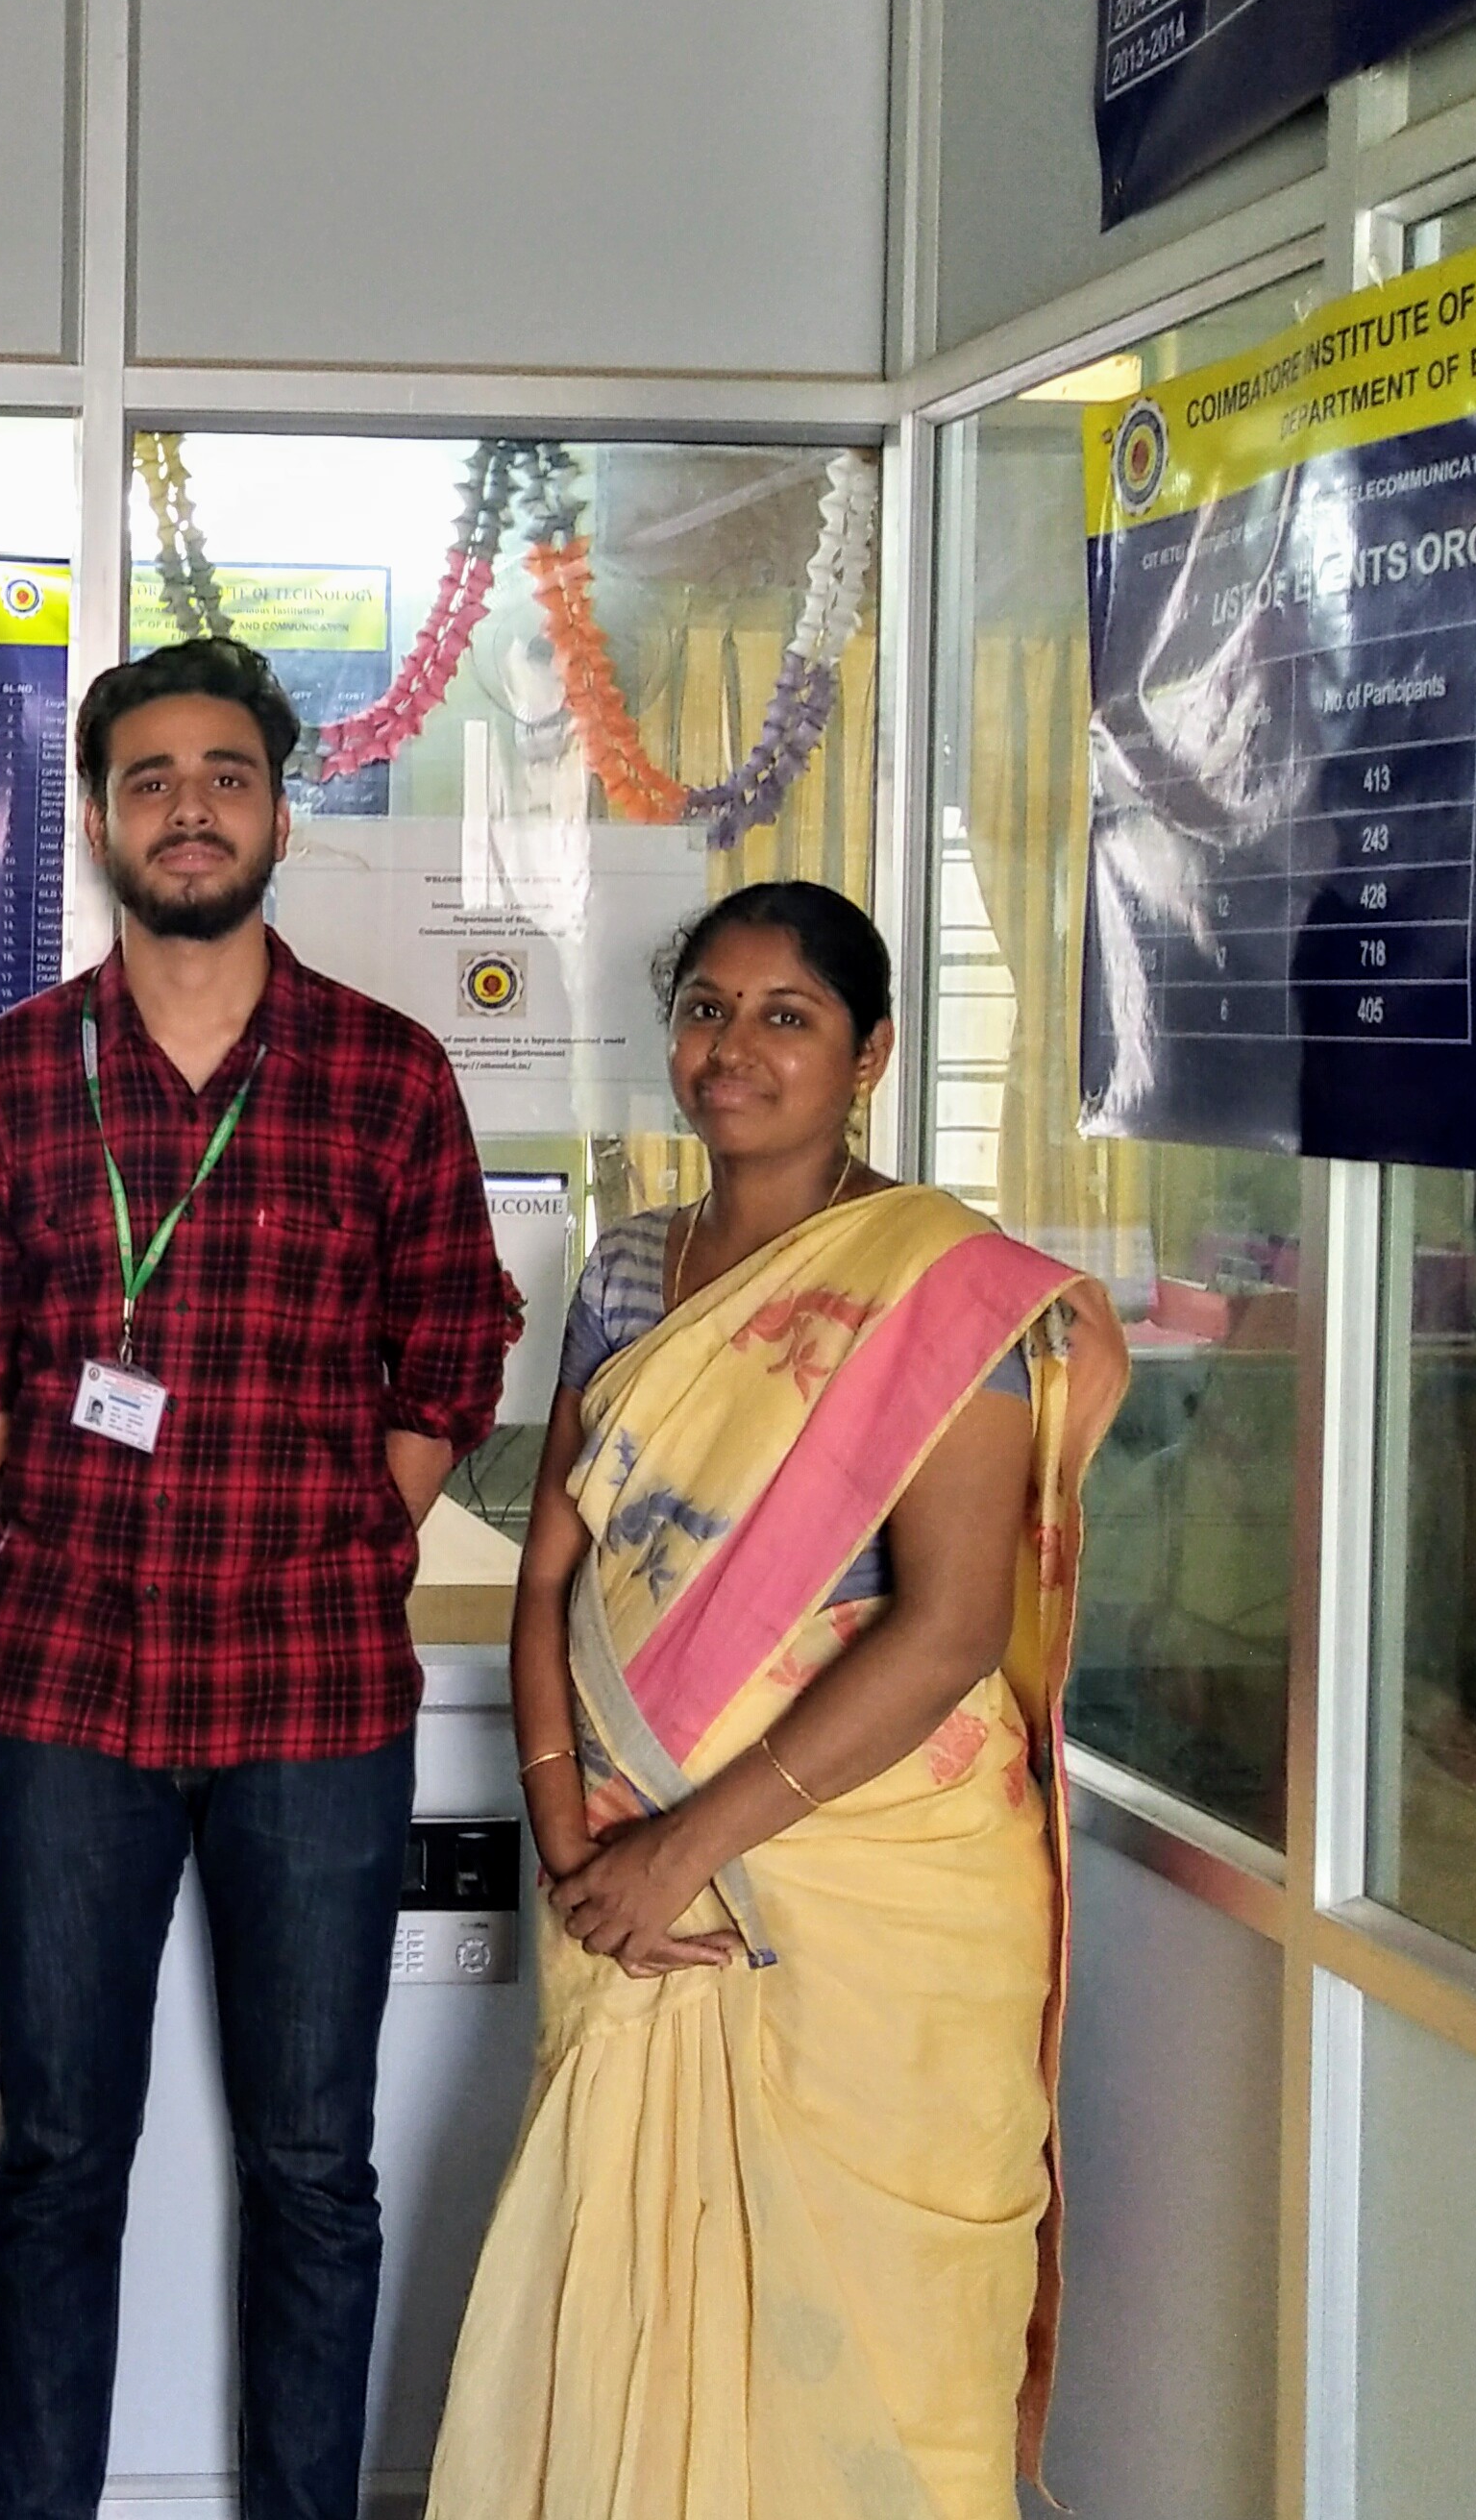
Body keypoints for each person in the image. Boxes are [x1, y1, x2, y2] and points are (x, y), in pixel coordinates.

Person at [425, 880, 1130, 2520]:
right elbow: (549, 1576)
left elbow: (947, 1632)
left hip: (874, 1889)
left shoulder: (942, 1292)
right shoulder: (624, 1273)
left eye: (785, 1016)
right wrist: (568, 1831)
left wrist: (680, 1851)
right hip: (621, 1861)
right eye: (706, 1010)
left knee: (876, 2339)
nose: (731, 1048)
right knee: (636, 2301)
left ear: (871, 1052)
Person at [0, 635, 517, 2520]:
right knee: (54, 2163)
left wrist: (343, 1527)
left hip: (312, 1698)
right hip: (67, 1697)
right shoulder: (9, 1080)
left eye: (224, 775)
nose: (188, 808)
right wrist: (82, 1536)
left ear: (278, 809)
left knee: (311, 2169)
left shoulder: (386, 1075)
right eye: (150, 778)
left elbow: (451, 1351)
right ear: (99, 817)